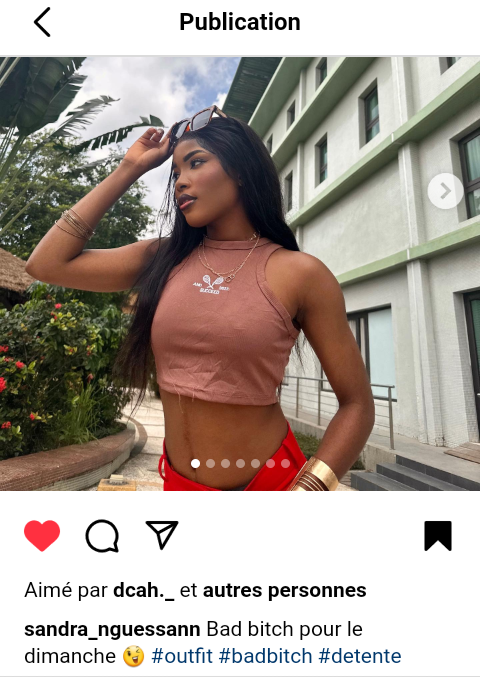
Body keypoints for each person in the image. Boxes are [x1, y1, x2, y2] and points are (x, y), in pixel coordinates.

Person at [25, 105, 375, 491]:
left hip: (270, 485)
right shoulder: (163, 258)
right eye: (176, 172)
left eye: (195, 163)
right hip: (178, 484)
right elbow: (47, 264)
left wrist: (306, 492)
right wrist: (130, 168)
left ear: (240, 170)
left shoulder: (301, 274)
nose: (180, 182)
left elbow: (357, 405)